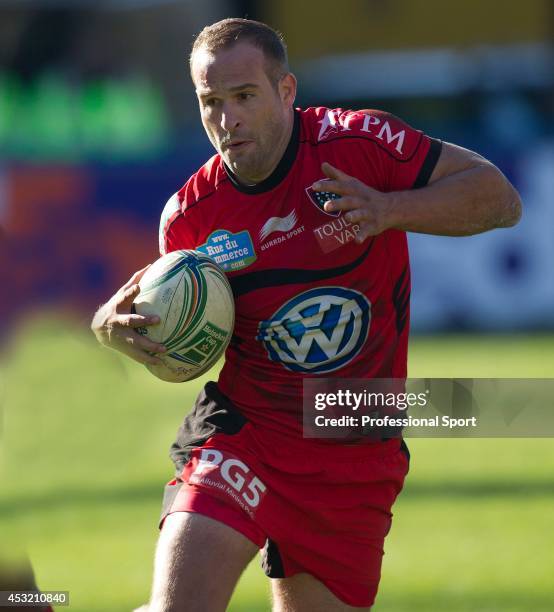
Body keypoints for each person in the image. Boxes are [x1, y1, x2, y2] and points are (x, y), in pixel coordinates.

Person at [91, 18, 521, 612]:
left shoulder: (359, 146)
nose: (227, 118)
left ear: (286, 91)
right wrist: (111, 328)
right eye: (210, 102)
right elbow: (180, 335)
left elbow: (500, 198)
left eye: (244, 96)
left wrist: (390, 208)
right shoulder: (190, 220)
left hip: (356, 439)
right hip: (250, 433)